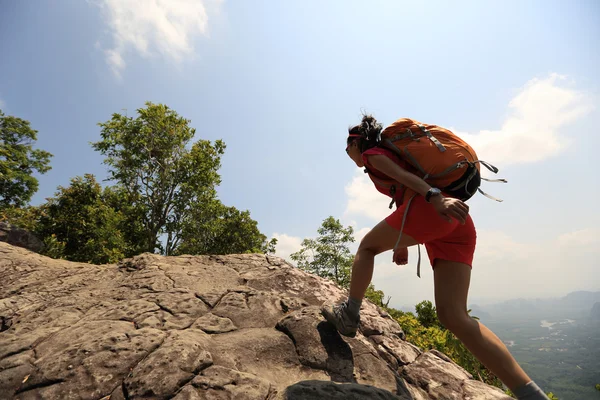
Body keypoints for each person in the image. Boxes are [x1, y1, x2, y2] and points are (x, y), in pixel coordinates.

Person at [321, 114, 549, 400]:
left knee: (366, 248)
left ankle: (349, 314)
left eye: (347, 148)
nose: (348, 154)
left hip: (439, 208)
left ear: (357, 143)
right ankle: (531, 394)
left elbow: (410, 181)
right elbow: (406, 194)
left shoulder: (372, 154)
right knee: (455, 316)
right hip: (457, 219)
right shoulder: (391, 157)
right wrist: (401, 243)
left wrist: (435, 197)